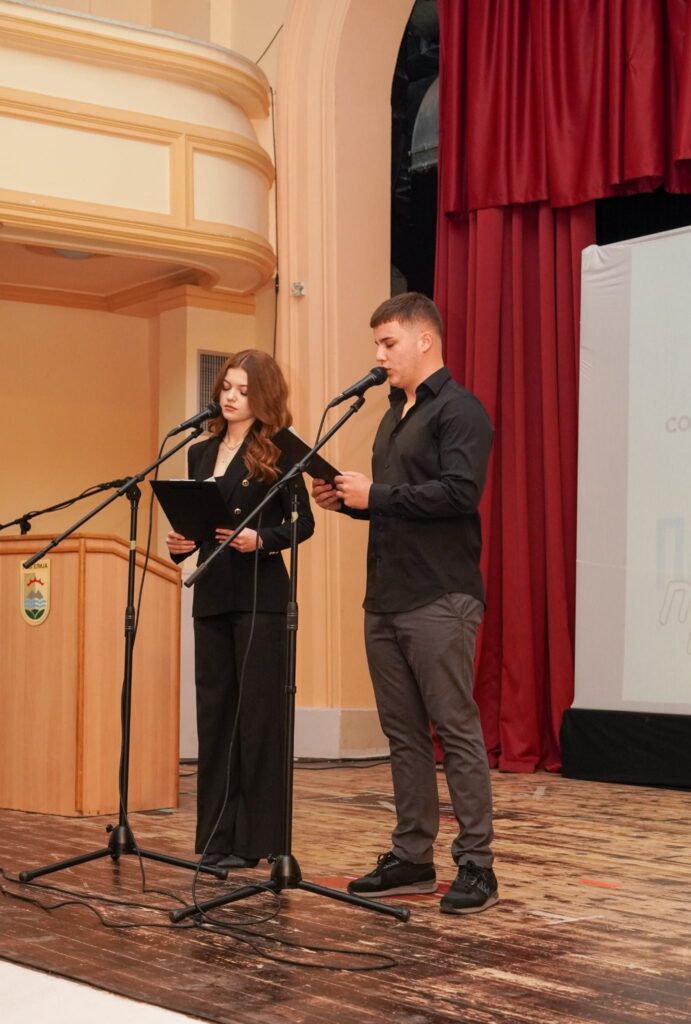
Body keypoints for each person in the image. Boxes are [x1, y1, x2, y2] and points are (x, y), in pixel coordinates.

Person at [312, 292, 497, 914]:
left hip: (440, 595)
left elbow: (459, 493)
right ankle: (413, 857)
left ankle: (477, 866)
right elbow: (396, 503)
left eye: (388, 343)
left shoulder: (460, 410)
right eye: (377, 345)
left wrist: (378, 496)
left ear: (425, 340)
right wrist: (351, 502)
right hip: (386, 596)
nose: (380, 356)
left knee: (455, 727)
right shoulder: (392, 415)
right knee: (403, 734)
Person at [167, 350, 314, 870]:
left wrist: (262, 540)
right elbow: (197, 524)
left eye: (243, 391)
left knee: (258, 720)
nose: (230, 397)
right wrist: (180, 545)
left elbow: (303, 523)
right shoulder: (199, 452)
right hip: (212, 595)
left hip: (259, 598)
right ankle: (217, 838)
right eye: (226, 387)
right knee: (216, 718)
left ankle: (259, 842)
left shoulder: (280, 450)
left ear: (263, 397)